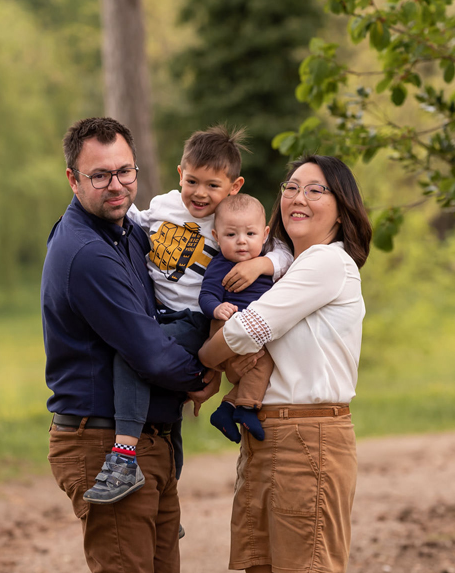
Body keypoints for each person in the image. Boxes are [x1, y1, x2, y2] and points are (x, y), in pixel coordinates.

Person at [42, 117, 227, 573]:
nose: (116, 185)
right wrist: (203, 378)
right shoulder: (87, 252)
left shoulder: (127, 231)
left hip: (152, 438)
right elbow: (148, 352)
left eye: (125, 172)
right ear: (73, 179)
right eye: (100, 175)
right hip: (107, 443)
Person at [82, 125, 292, 504]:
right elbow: (132, 223)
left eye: (213, 185)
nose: (200, 193)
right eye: (192, 181)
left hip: (196, 319)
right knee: (167, 402)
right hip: (156, 313)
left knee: (132, 356)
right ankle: (165, 496)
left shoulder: (231, 219)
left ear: (234, 186)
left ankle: (124, 456)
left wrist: (261, 264)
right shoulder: (163, 205)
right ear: (180, 173)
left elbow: (282, 253)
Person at [199, 155, 373, 573]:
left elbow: (246, 330)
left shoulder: (327, 262)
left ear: (342, 206)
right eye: (291, 187)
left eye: (316, 189)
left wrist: (206, 362)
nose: (298, 197)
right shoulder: (281, 268)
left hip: (307, 438)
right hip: (264, 434)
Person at [198, 194, 277, 443]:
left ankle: (228, 409)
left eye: (250, 235)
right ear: (216, 237)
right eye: (231, 235)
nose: (241, 242)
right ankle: (245, 408)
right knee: (261, 362)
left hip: (253, 334)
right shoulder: (220, 265)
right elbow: (206, 295)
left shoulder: (268, 264)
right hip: (226, 326)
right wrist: (216, 308)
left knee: (260, 363)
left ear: (264, 235)